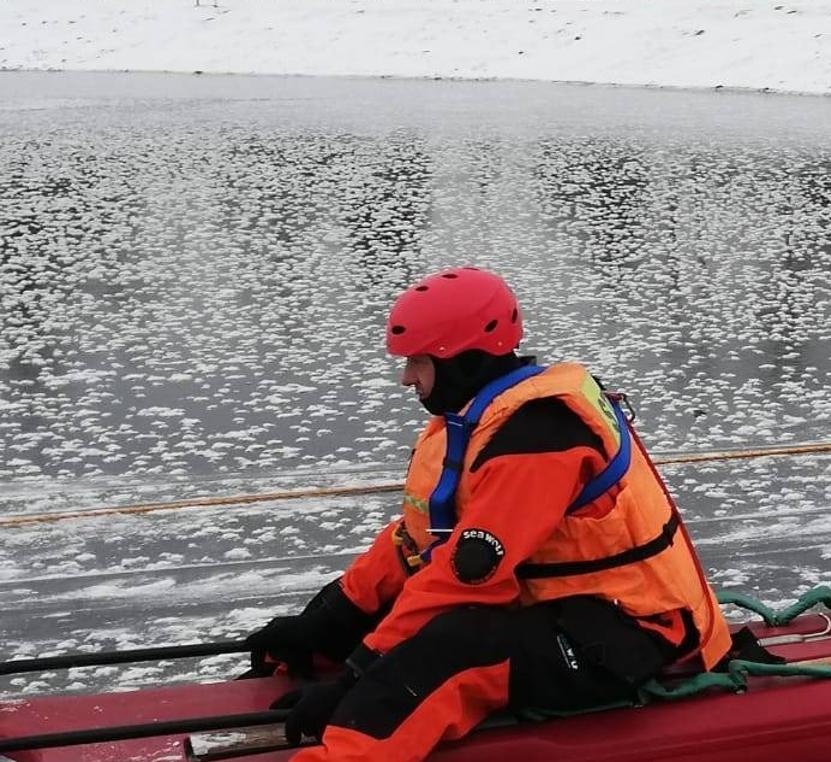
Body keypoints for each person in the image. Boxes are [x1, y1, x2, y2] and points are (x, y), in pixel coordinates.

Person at [242, 267, 732, 760]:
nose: (406, 377)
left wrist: (355, 679)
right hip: (561, 603)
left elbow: (467, 579)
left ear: (461, 360)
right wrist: (330, 620)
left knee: (451, 650)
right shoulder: (483, 417)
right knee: (398, 617)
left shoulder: (536, 443)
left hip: (631, 629)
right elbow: (422, 541)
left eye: (417, 361)